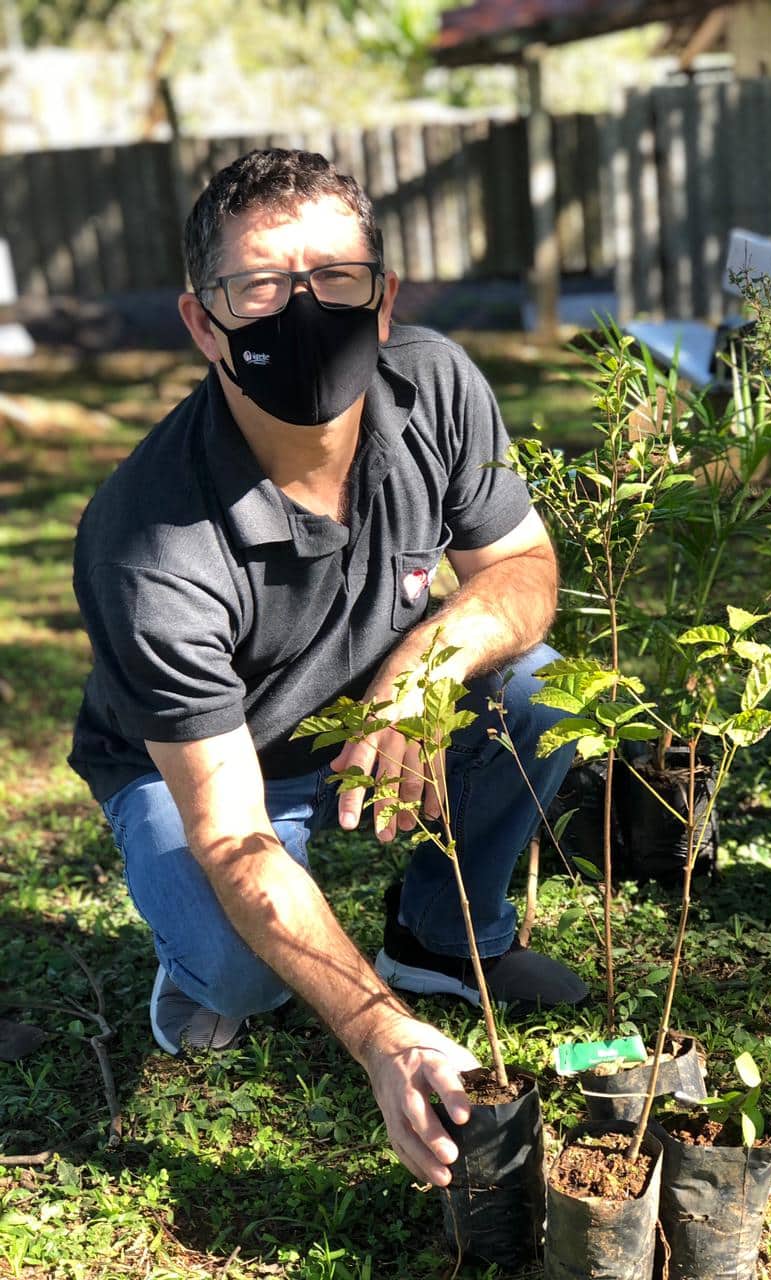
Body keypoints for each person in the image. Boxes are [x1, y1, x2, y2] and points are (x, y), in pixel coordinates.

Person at [69, 147, 587, 1187]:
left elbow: (526, 569)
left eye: (334, 278)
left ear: (383, 298)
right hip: (204, 770)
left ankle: (443, 935)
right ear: (202, 321)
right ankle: (200, 972)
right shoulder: (147, 539)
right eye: (258, 285)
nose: (301, 309)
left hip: (367, 716)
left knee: (537, 685)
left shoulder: (435, 383)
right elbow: (232, 830)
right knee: (237, 974)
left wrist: (420, 676)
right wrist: (381, 1033)